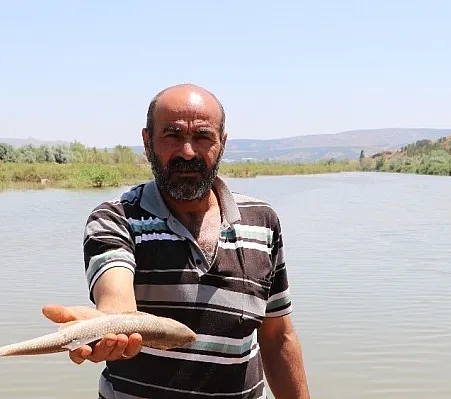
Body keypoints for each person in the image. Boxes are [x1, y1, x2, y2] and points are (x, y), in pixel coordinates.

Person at [42, 83, 310, 398]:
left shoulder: (262, 221)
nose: (187, 151)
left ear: (221, 144)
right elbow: (116, 297)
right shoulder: (116, 218)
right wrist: (109, 324)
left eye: (202, 137)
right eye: (172, 136)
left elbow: (277, 335)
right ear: (147, 142)